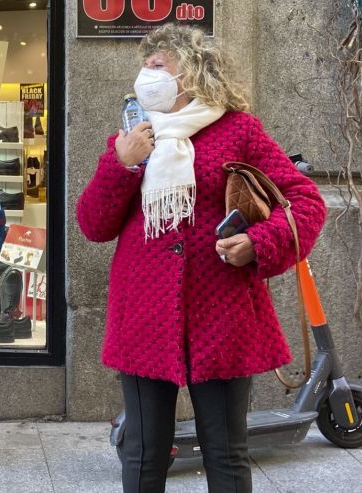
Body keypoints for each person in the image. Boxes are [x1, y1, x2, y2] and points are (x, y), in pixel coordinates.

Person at [76, 24, 327, 492]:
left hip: (224, 313)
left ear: (190, 74)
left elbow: (305, 201)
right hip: (144, 315)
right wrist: (122, 162)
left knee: (226, 451)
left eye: (158, 65)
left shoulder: (239, 130)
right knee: (144, 451)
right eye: (145, 65)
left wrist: (260, 242)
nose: (146, 74)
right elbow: (93, 224)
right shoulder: (132, 135)